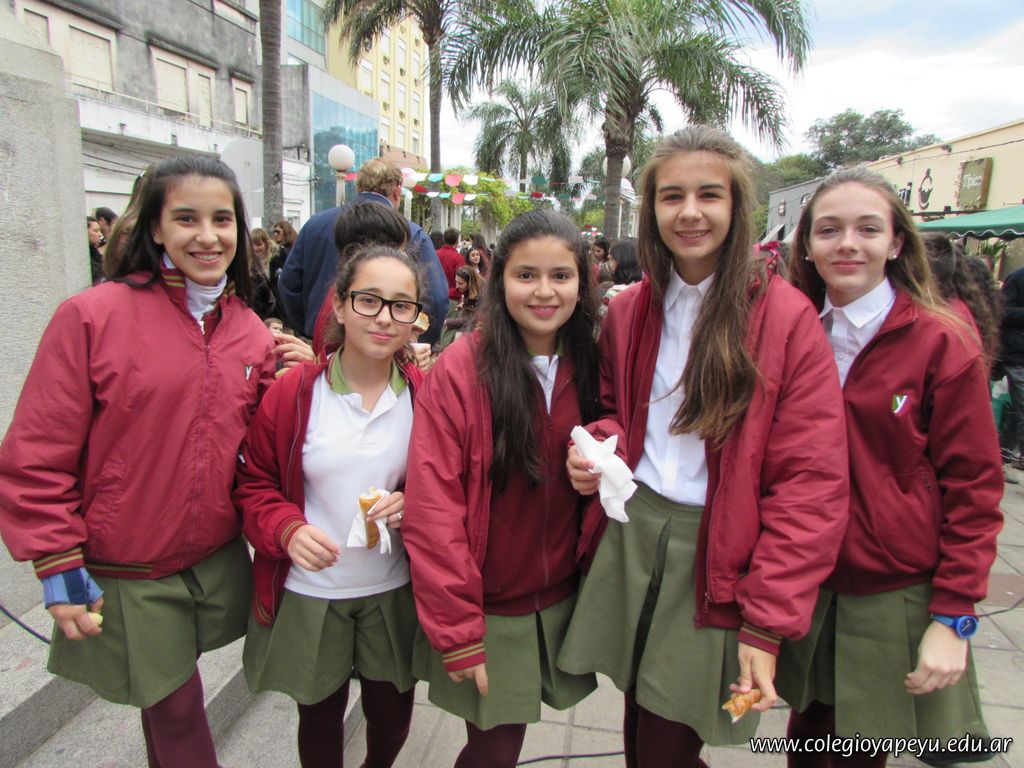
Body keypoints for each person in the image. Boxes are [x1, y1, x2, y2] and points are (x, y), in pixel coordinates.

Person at [559, 126, 849, 768]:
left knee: (668, 739)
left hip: (718, 551)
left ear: (737, 206)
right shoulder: (630, 309)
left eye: (709, 195)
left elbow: (812, 484)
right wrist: (598, 451)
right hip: (633, 532)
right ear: (651, 209)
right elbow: (613, 412)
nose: (690, 212)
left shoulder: (785, 318)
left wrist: (766, 621)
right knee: (640, 716)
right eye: (672, 196)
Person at [0, 155, 276, 767]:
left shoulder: (250, 331)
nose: (208, 236)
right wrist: (56, 561)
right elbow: (37, 453)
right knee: (177, 708)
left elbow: (261, 448)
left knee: (166, 701)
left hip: (213, 558)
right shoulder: (92, 316)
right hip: (127, 562)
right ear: (155, 227)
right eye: (186, 218)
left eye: (222, 219)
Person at [780, 167, 1003, 767]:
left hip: (890, 584)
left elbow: (975, 487)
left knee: (860, 752)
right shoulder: (789, 330)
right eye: (829, 230)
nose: (847, 244)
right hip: (802, 574)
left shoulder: (941, 341)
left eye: (868, 229)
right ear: (807, 245)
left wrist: (954, 615)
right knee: (806, 740)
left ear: (897, 242)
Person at [402, 209, 601, 767]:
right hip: (486, 607)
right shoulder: (462, 369)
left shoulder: (593, 361)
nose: (544, 291)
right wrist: (458, 630)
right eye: (526, 275)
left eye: (560, 275)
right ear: (498, 279)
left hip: (564, 596)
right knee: (494, 749)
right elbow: (433, 509)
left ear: (582, 282)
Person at [236, 244, 424, 768]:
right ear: (340, 305)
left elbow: (449, 483)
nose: (384, 318)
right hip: (313, 591)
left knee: (392, 718)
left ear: (415, 318)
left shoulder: (423, 396)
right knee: (319, 720)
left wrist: (414, 503)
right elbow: (253, 484)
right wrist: (288, 530)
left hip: (392, 587)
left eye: (401, 305)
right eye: (368, 300)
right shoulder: (295, 394)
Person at [278, 158, 447, 345]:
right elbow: (436, 298)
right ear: (397, 191)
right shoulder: (410, 232)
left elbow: (289, 283)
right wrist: (415, 342)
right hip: (386, 343)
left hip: (319, 338)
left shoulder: (314, 225)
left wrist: (309, 328)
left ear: (359, 186)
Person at [309, 200, 413, 359]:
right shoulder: (346, 302)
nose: (404, 257)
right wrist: (405, 360)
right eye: (397, 250)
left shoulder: (345, 292)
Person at [437, 265, 484, 352]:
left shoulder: (482, 295)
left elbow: (472, 319)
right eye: (456, 282)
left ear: (470, 283)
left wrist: (447, 322)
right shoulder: (472, 290)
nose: (457, 286)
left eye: (461, 284)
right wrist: (464, 303)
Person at [600, 237, 642, 315]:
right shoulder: (644, 289)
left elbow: (603, 320)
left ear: (621, 261)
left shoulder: (613, 294)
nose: (609, 263)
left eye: (611, 259)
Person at [248, 227, 278, 320]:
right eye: (253, 244)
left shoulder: (275, 260)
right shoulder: (248, 263)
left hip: (275, 309)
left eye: (259, 244)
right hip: (259, 308)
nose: (255, 248)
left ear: (266, 244)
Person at [437, 227, 464, 299]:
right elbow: (462, 279)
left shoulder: (434, 254)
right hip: (453, 296)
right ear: (457, 241)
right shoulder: (459, 258)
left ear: (444, 239)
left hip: (435, 294)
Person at [86, 215, 104, 284]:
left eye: (100, 231)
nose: (100, 234)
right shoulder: (85, 255)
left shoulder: (93, 252)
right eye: (96, 231)